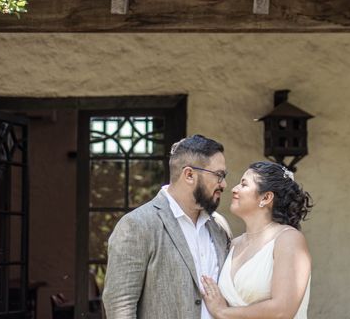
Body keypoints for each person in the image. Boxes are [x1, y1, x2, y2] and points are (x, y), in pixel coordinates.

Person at [102, 134, 232, 319]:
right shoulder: (137, 225)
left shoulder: (220, 227)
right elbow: (120, 305)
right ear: (189, 175)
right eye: (219, 175)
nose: (224, 184)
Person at [201, 161, 313, 319]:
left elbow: (282, 310)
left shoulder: (288, 239)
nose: (234, 189)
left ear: (266, 197)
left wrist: (222, 312)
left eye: (244, 184)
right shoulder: (233, 244)